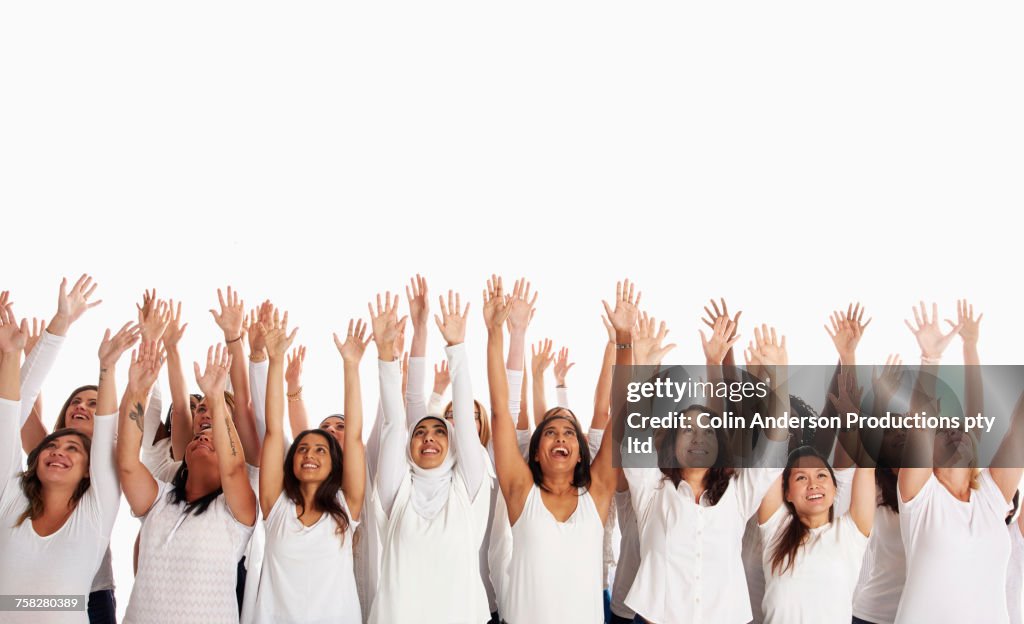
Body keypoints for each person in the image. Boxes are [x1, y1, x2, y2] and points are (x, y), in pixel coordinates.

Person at [624, 310, 790, 624]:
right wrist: (642, 368)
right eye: (687, 429)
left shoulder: (737, 494)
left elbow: (774, 450)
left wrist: (779, 376)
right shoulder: (652, 490)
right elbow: (636, 440)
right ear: (672, 443)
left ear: (719, 446)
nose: (698, 437)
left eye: (708, 431)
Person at [486, 277, 619, 624]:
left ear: (579, 453)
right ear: (534, 452)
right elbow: (502, 411)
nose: (560, 438)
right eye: (550, 433)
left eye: (568, 434)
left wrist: (623, 343)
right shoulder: (520, 492)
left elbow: (619, 415)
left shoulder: (598, 494)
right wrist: (496, 332)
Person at [369, 290, 492, 624]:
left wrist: (457, 348)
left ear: (453, 444)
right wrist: (386, 356)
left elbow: (466, 422)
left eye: (439, 432)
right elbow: (395, 423)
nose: (428, 437)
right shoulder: (395, 494)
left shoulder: (468, 491)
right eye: (420, 432)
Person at [895, 301, 1021, 624]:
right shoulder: (921, 499)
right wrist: (930, 359)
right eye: (943, 429)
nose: (954, 430)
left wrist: (970, 345)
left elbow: (1018, 429)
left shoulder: (991, 498)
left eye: (959, 426)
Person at [0, 302, 124, 624]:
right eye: (52, 446)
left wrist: (108, 368)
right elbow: (13, 415)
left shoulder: (97, 506)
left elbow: (109, 430)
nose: (58, 452)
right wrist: (16, 355)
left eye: (72, 449)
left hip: (95, 594)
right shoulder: (12, 498)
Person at [119, 343, 258, 624]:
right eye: (198, 436)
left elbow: (233, 470)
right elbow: (127, 463)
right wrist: (136, 392)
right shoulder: (158, 499)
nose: (203, 437)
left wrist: (217, 398)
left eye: (213, 438)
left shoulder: (235, 515)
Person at [250, 313, 367, 623]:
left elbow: (353, 437)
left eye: (320, 449)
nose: (309, 454)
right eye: (302, 449)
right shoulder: (276, 508)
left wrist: (351, 367)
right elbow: (274, 431)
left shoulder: (346, 507)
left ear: (334, 463)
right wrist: (276, 361)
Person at [757, 446, 875, 623]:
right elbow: (772, 451)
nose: (813, 484)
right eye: (801, 478)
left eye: (821, 475)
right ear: (787, 493)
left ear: (835, 488)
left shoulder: (850, 532)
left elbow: (867, 467)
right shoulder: (776, 528)